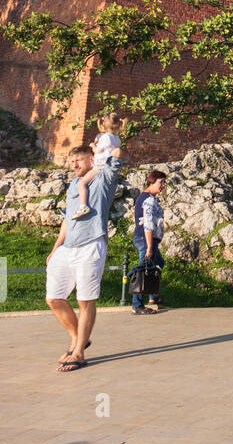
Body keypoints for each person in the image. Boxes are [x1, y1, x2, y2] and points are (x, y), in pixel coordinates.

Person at [46, 144, 123, 372]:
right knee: (54, 298)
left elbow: (116, 154)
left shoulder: (104, 180)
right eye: (72, 161)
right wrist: (54, 249)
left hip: (91, 245)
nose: (75, 165)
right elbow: (67, 220)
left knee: (85, 300)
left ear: (91, 160)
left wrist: (105, 145)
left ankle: (78, 352)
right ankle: (79, 336)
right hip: (67, 248)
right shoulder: (73, 185)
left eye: (79, 160)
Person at [72, 112, 124, 220]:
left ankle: (83, 206)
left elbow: (98, 150)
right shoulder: (117, 139)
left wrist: (92, 146)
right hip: (108, 166)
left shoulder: (105, 137)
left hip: (99, 166)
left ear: (104, 125)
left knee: (81, 183)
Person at [131, 169, 167, 314]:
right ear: (152, 182)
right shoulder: (148, 199)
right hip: (146, 239)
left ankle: (153, 296)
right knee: (142, 270)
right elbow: (147, 223)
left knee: (158, 263)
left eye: (164, 182)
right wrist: (150, 246)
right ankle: (137, 306)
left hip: (147, 239)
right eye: (161, 182)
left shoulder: (147, 197)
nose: (163, 185)